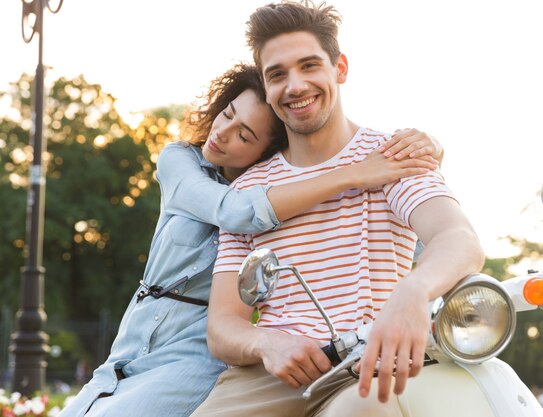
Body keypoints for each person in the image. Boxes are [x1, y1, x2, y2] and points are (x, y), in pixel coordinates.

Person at [58, 61, 443, 417]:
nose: (222, 133)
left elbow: (419, 236)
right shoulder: (182, 161)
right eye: (227, 114)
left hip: (200, 349)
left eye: (245, 134)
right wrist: (353, 173)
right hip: (135, 336)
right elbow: (236, 211)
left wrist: (428, 151)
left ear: (265, 152)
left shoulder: (281, 188)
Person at [190, 2, 484, 417]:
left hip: (366, 365)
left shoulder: (393, 155)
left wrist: (414, 291)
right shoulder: (251, 190)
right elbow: (222, 327)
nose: (294, 86)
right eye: (277, 75)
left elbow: (459, 240)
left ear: (339, 69)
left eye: (309, 65)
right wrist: (267, 342)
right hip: (270, 378)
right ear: (268, 89)